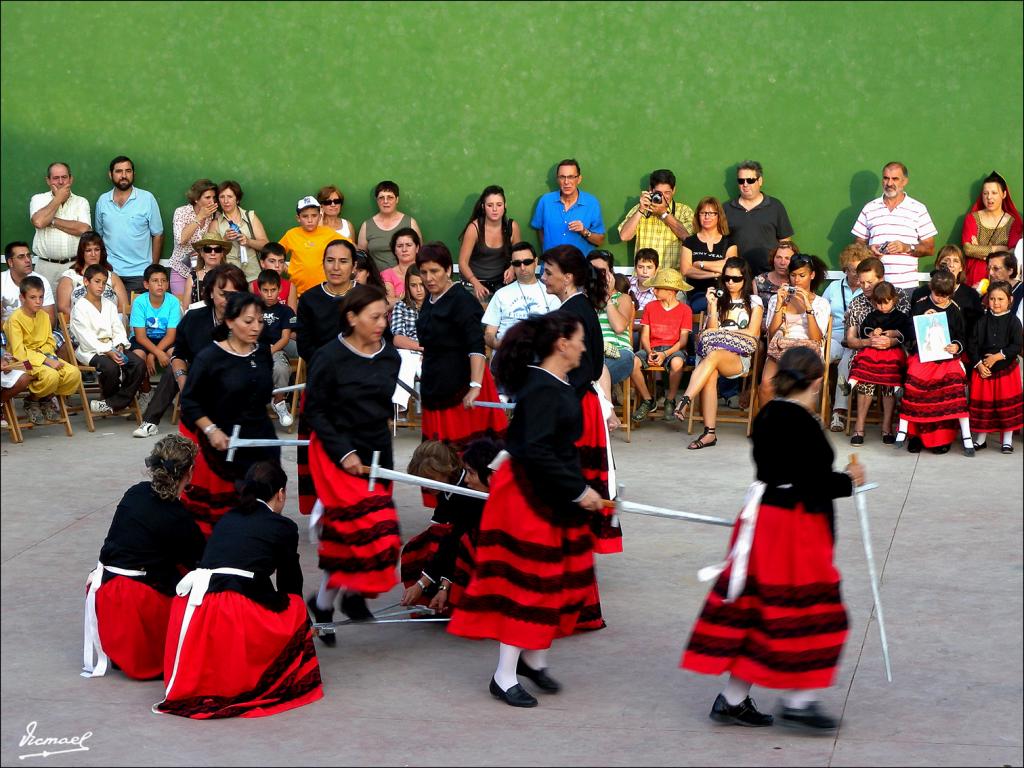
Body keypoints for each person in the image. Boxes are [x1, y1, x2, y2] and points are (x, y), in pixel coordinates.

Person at [681, 347, 865, 732]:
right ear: (817, 381)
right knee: (805, 611)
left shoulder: (768, 414)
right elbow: (808, 481)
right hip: (792, 526)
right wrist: (848, 481)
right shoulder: (800, 421)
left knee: (759, 608)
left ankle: (732, 700)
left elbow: (784, 471)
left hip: (766, 518)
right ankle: (799, 700)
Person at [448, 312, 605, 708]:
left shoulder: (555, 384)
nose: (585, 346)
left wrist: (582, 490)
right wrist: (578, 490)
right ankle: (503, 676)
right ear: (562, 344)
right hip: (526, 496)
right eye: (580, 339)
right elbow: (535, 451)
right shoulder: (542, 389)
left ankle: (533, 659)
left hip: (547, 493)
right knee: (528, 583)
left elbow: (555, 448)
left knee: (555, 579)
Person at [155, 462, 323, 718]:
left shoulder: (227, 517)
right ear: (280, 493)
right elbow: (290, 582)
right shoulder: (283, 527)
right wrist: (304, 623)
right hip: (231, 606)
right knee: (294, 608)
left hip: (192, 605)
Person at [304, 285, 402, 635]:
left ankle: (329, 602)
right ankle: (337, 599)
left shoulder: (391, 356)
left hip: (376, 452)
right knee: (362, 529)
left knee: (375, 536)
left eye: (385, 316)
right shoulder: (328, 357)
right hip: (337, 452)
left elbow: (381, 411)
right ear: (351, 317)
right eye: (374, 317)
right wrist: (344, 452)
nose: (381, 323)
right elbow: (314, 411)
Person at [82, 435, 204, 680]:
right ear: (189, 472)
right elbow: (199, 561)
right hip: (135, 601)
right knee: (199, 591)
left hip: (104, 591)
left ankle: (118, 646)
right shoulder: (177, 517)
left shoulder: (135, 493)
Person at [540, 245, 617, 624]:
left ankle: (573, 606)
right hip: (579, 407)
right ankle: (578, 605)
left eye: (548, 270)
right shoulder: (582, 308)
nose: (543, 276)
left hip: (572, 412)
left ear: (568, 276)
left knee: (565, 504)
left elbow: (574, 372)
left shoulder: (570, 314)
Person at [179, 291, 280, 535]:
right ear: (230, 322)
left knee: (264, 506)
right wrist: (211, 430)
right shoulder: (210, 357)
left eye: (260, 321)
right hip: (224, 447)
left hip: (261, 439)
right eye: (248, 321)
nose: (256, 327)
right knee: (226, 519)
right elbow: (190, 401)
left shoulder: (262, 352)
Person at [133, 264, 248, 439]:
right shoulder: (194, 317)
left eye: (235, 295)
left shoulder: (249, 319)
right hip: (199, 374)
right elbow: (179, 353)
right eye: (223, 294)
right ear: (210, 293)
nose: (228, 300)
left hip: (234, 378)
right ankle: (150, 421)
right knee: (174, 368)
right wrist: (182, 379)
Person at [416, 242, 507, 453]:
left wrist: (475, 386)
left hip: (462, 387)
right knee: (435, 457)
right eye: (423, 272)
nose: (428, 278)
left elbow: (476, 346)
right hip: (435, 384)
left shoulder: (463, 302)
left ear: (448, 270)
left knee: (465, 457)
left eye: (434, 271)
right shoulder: (430, 300)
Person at [399, 438, 500, 612]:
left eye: (430, 479)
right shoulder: (445, 486)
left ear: (446, 470)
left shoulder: (470, 491)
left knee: (446, 541)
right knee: (423, 543)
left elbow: (456, 540)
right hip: (458, 540)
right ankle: (434, 595)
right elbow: (442, 523)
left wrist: (430, 584)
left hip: (477, 544)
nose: (426, 486)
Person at [294, 240, 359, 515]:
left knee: (355, 449)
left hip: (358, 389)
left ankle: (353, 501)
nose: (336, 267)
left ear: (354, 266)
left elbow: (379, 339)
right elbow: (305, 346)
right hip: (321, 385)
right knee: (316, 450)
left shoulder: (366, 297)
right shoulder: (309, 299)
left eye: (343, 261)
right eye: (330, 260)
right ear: (323, 263)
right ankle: (320, 505)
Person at [673, 257, 764, 448]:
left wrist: (723, 333)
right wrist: (712, 306)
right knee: (711, 369)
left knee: (712, 356)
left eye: (736, 279)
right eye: (727, 278)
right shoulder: (718, 299)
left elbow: (753, 333)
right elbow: (712, 328)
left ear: (745, 279)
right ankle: (709, 434)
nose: (730, 282)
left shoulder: (754, 302)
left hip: (738, 358)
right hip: (714, 357)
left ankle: (685, 399)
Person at [895, 270, 974, 456]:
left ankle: (942, 438)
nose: (939, 299)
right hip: (922, 357)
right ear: (931, 288)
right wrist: (922, 320)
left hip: (946, 360)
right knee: (915, 383)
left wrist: (956, 346)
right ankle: (914, 436)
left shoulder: (954, 310)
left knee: (952, 385)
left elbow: (961, 336)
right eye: (937, 294)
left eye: (944, 296)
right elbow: (908, 333)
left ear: (951, 294)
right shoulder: (920, 304)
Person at [3, 275, 82, 424]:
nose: (38, 302)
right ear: (22, 298)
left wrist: (46, 357)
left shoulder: (44, 317)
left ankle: (44, 399)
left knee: (73, 374)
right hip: (23, 361)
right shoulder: (15, 319)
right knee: (51, 376)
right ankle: (32, 401)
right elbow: (19, 352)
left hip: (45, 356)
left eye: (41, 297)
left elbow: (50, 342)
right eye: (33, 297)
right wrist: (44, 360)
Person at [70, 265, 146, 415]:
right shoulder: (79, 308)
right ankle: (115, 401)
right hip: (90, 350)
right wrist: (107, 352)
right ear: (86, 281)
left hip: (113, 346)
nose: (101, 286)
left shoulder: (109, 304)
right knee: (110, 367)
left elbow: (117, 328)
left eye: (104, 282)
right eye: (97, 281)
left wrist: (119, 346)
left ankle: (113, 402)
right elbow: (85, 337)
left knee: (138, 364)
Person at [852, 161, 937, 290]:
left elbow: (930, 248)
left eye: (895, 179)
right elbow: (857, 245)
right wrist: (870, 249)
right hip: (874, 287)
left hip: (907, 287)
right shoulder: (869, 208)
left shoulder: (918, 209)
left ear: (904, 181)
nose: (889, 183)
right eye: (886, 178)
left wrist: (907, 247)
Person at [759, 254, 831, 405]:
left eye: (801, 275)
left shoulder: (821, 303)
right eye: (793, 275)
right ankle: (766, 425)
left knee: (801, 387)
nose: (797, 280)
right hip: (781, 347)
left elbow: (817, 339)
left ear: (812, 275)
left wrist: (808, 307)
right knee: (766, 384)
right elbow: (771, 334)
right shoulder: (778, 298)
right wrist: (779, 305)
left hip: (807, 351)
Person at [847, 281, 912, 445]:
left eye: (886, 302)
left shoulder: (900, 316)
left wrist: (894, 335)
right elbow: (863, 330)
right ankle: (859, 427)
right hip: (873, 353)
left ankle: (887, 427)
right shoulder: (872, 315)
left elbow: (907, 333)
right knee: (865, 377)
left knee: (889, 384)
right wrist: (872, 334)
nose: (882, 306)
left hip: (892, 356)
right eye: (878, 303)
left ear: (894, 300)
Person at [587, 250, 652, 408]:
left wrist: (608, 297)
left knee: (592, 372)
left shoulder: (623, 298)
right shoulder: (584, 298)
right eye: (593, 271)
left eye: (602, 271)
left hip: (619, 353)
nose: (598, 275)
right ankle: (607, 413)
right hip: (593, 353)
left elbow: (618, 327)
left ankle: (602, 412)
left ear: (610, 273)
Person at [93, 155, 164, 295]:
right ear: (110, 174)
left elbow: (158, 234)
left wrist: (152, 268)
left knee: (137, 315)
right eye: (119, 171)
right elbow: (99, 236)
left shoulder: (147, 198)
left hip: (140, 274)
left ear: (133, 173)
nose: (124, 175)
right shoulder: (102, 201)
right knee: (110, 315)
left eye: (128, 171)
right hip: (110, 273)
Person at [969, 281, 1023, 453]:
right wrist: (978, 364)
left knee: (1006, 408)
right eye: (992, 298)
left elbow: (1016, 345)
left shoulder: (1014, 322)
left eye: (1000, 298)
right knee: (985, 407)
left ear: (1010, 300)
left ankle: (1007, 440)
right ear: (987, 300)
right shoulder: (982, 321)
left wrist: (998, 356)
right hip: (984, 371)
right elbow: (973, 344)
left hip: (1006, 371)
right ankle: (981, 438)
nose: (996, 302)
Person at [482, 242, 561, 353]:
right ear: (512, 265)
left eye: (527, 262)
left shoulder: (551, 293)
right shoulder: (501, 294)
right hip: (506, 357)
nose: (522, 267)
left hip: (538, 357)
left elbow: (557, 332)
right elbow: (489, 333)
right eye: (517, 263)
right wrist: (499, 345)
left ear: (536, 262)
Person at [823, 242, 869, 432]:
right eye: (853, 270)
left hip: (855, 339)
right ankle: (812, 406)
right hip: (834, 336)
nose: (857, 276)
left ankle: (839, 411)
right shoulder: (834, 287)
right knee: (820, 356)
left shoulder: (869, 289)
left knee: (844, 364)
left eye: (861, 270)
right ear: (845, 270)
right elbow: (822, 312)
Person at [636, 268, 694, 419]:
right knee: (633, 362)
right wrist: (650, 352)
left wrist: (664, 354)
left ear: (670, 291)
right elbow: (644, 336)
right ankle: (647, 399)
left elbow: (683, 341)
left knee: (677, 363)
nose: (653, 290)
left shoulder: (685, 310)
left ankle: (670, 399)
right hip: (652, 348)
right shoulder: (650, 307)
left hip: (674, 349)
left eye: (658, 287)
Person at [724, 161, 794, 276]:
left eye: (750, 180)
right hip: (738, 276)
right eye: (741, 181)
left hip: (769, 274)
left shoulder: (775, 206)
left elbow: (785, 241)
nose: (745, 184)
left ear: (760, 181)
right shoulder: (726, 209)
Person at [28, 161, 92, 290]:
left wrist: (51, 221)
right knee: (45, 308)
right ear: (48, 180)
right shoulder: (38, 199)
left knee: (74, 307)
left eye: (64, 177)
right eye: (56, 178)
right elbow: (39, 222)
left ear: (71, 179)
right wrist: (58, 199)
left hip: (75, 266)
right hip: (46, 266)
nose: (61, 182)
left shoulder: (81, 202)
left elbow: (84, 229)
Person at [617, 169, 693, 272]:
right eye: (659, 193)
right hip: (644, 278)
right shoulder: (640, 209)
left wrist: (664, 214)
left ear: (674, 190)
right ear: (650, 190)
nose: (663, 197)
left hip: (672, 280)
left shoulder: (684, 211)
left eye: (667, 193)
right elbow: (624, 236)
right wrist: (641, 210)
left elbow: (688, 238)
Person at [458, 185, 523, 302]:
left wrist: (513, 268)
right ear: (483, 207)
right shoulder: (474, 228)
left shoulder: (512, 227)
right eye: (490, 205)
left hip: (501, 284)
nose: (495, 209)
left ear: (505, 206)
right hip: (473, 283)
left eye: (499, 205)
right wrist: (475, 283)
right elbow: (462, 263)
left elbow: (520, 255)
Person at [961, 171, 1022, 288]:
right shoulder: (972, 218)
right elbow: (968, 249)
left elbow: (1012, 252)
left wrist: (979, 250)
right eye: (985, 193)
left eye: (994, 193)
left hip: (1001, 280)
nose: (989, 197)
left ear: (1004, 194)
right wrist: (999, 248)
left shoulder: (1014, 222)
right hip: (974, 278)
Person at [531, 159, 605, 254]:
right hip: (551, 265)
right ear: (557, 179)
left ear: (579, 179)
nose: (566, 182)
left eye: (571, 177)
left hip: (579, 266)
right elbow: (540, 229)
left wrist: (584, 231)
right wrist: (547, 253)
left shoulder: (591, 203)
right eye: (562, 177)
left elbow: (599, 241)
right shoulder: (545, 201)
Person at [912, 245, 983, 339]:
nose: (951, 265)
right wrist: (923, 320)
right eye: (947, 260)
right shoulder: (921, 293)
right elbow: (911, 327)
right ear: (938, 265)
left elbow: (975, 329)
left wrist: (958, 345)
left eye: (956, 261)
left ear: (961, 267)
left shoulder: (970, 295)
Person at [55, 232, 130, 319]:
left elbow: (124, 307)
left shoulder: (112, 277)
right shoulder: (70, 277)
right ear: (82, 253)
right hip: (81, 322)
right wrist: (88, 318)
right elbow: (63, 307)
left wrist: (102, 317)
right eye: (88, 250)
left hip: (109, 321)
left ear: (102, 252)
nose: (93, 254)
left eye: (97, 249)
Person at [682, 196, 738, 313]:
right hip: (697, 295)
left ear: (719, 216)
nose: (707, 217)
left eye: (712, 213)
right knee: (702, 305)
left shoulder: (729, 242)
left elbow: (731, 267)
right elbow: (686, 270)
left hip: (724, 294)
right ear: (698, 215)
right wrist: (715, 273)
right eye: (703, 213)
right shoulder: (690, 241)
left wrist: (700, 264)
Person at [128, 264, 180, 389]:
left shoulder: (173, 301)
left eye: (163, 281)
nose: (160, 284)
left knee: (175, 355)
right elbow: (140, 337)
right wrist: (157, 352)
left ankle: (170, 391)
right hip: (143, 339)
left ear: (168, 284)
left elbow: (171, 335)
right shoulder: (140, 302)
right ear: (146, 285)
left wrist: (153, 354)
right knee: (138, 356)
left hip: (165, 338)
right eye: (155, 281)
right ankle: (145, 389)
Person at [255, 269, 295, 428]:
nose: (269, 294)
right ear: (259, 290)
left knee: (280, 368)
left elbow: (285, 338)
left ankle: (279, 401)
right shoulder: (253, 308)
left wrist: (269, 352)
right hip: (254, 348)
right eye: (265, 290)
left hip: (277, 349)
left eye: (273, 290)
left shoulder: (286, 311)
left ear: (280, 290)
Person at [207, 180, 269, 281]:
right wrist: (224, 240)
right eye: (222, 197)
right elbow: (210, 252)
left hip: (254, 275)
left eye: (230, 196)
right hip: (229, 278)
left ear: (237, 199)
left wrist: (248, 241)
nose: (226, 201)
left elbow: (265, 245)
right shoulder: (215, 224)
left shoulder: (250, 217)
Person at [278, 196, 341, 297]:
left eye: (314, 215)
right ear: (298, 218)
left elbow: (349, 246)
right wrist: (287, 269)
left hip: (324, 291)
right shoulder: (291, 234)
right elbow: (275, 254)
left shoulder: (328, 233)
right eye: (305, 216)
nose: (310, 220)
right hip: (297, 293)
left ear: (320, 217)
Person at [357, 180, 422, 272]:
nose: (385, 201)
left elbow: (420, 253)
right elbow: (361, 258)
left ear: (397, 199)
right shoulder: (367, 226)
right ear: (377, 200)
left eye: (390, 197)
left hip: (405, 280)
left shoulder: (410, 223)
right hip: (376, 281)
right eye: (381, 198)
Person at [168, 179, 218, 297]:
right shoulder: (181, 212)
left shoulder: (215, 216)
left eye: (214, 198)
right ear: (196, 198)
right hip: (181, 269)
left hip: (203, 271)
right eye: (207, 198)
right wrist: (200, 216)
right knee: (181, 308)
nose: (212, 201)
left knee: (201, 307)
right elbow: (181, 239)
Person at [390, 266, 425, 414]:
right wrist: (422, 347)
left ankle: (399, 402)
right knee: (408, 358)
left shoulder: (437, 305)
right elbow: (398, 339)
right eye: (413, 285)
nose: (418, 289)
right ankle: (400, 403)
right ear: (407, 286)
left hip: (432, 352)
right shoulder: (401, 306)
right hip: (409, 351)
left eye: (421, 284)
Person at [2, 242, 58, 328]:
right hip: (8, 331)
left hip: (37, 331)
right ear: (10, 262)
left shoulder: (41, 281)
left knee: (60, 339)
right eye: (21, 257)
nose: (28, 260)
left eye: (28, 255)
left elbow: (50, 320)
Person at [181, 236, 230, 309]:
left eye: (217, 249)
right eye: (208, 249)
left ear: (222, 253)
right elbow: (186, 309)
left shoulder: (230, 275)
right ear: (201, 253)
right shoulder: (193, 277)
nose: (213, 253)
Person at [249, 242, 297, 314]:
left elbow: (292, 317)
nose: (277, 265)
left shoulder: (290, 287)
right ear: (262, 263)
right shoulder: (252, 286)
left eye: (281, 262)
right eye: (272, 261)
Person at [380, 227, 420, 305]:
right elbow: (388, 302)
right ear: (394, 250)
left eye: (408, 245)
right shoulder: (386, 274)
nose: (404, 249)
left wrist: (400, 299)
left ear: (417, 248)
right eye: (399, 246)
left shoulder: (425, 271)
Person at [753, 241, 798, 309]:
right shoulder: (759, 281)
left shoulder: (798, 281)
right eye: (778, 257)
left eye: (787, 258)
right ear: (773, 259)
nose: (782, 262)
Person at [985, 250, 1024, 318]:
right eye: (988, 269)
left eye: (996, 269)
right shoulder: (988, 290)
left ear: (1010, 271)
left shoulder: (1021, 291)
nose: (990, 273)